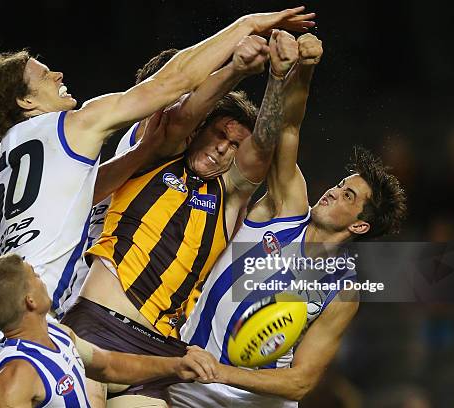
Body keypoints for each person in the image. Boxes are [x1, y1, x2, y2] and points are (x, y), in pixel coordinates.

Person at [0, 7, 315, 406]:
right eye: (45, 74)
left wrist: (278, 76)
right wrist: (241, 39)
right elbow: (173, 88)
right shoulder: (94, 132)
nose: (59, 75)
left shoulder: (14, 152)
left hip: (108, 335)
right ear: (24, 99)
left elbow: (95, 188)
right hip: (45, 317)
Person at [60, 27, 309, 405]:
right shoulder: (154, 154)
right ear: (197, 131)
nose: (223, 148)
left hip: (161, 351)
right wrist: (236, 68)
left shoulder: (228, 196)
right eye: (218, 134)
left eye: (233, 146)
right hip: (99, 325)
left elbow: (261, 147)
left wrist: (278, 78)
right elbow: (181, 116)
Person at [170, 33, 408, 407]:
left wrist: (219, 371)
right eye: (340, 184)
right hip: (186, 385)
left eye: (348, 196)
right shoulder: (287, 210)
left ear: (360, 225)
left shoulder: (342, 293)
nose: (332, 191)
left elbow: (300, 382)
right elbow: (289, 129)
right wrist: (306, 69)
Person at [0, 253, 220, 407]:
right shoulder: (12, 381)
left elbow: (110, 365)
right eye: (34, 276)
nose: (41, 280)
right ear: (30, 301)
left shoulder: (59, 334)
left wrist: (175, 366)